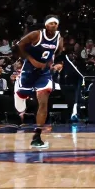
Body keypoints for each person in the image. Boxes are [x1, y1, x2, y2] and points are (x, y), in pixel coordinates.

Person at [14, 16, 62, 149]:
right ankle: (18, 91)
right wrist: (31, 60)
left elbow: (57, 52)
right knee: (22, 95)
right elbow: (19, 45)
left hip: (44, 73)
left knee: (43, 102)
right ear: (46, 25)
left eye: (56, 23)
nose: (54, 25)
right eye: (51, 23)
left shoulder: (59, 38)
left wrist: (51, 62)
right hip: (29, 70)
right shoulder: (36, 35)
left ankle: (37, 136)